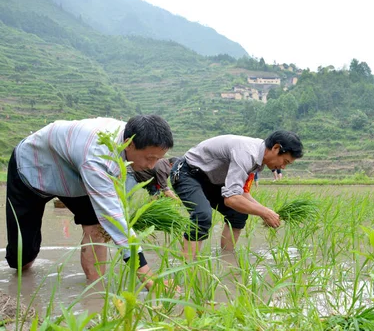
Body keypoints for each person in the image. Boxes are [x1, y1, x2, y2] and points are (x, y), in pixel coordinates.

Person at [5, 115, 174, 288]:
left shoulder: (133, 134)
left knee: (97, 228)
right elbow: (114, 219)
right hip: (32, 172)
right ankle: (21, 282)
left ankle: (95, 290)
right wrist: (149, 279)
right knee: (23, 259)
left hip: (74, 175)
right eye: (149, 158)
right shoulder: (97, 156)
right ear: (129, 144)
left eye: (157, 159)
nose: (152, 166)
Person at [170, 130, 303, 259]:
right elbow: (231, 199)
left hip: (210, 180)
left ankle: (227, 259)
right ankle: (187, 269)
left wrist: (266, 211)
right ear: (276, 147)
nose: (283, 167)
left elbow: (242, 193)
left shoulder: (258, 159)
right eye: (285, 161)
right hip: (187, 173)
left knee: (238, 214)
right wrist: (264, 213)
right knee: (202, 215)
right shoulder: (247, 153)